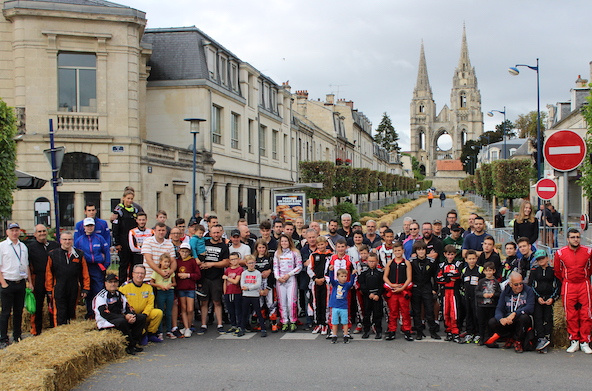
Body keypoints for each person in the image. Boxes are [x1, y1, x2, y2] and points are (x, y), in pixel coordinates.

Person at [554, 228, 592, 354]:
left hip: (584, 283)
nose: (576, 239)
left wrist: (584, 277)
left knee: (586, 313)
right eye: (573, 237)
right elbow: (557, 271)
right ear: (568, 239)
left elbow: (590, 268)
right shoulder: (560, 253)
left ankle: (585, 341)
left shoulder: (588, 251)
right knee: (571, 313)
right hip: (569, 284)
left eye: (577, 237)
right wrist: (567, 279)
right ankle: (574, 340)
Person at [93, 273, 145, 355]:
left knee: (141, 317)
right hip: (106, 321)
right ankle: (129, 346)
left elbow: (128, 308)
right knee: (122, 322)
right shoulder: (101, 296)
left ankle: (134, 343)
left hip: (120, 318)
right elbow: (105, 314)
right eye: (110, 282)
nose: (113, 284)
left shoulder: (120, 294)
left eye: (115, 282)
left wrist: (131, 315)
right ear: (105, 283)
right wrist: (125, 317)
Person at [46, 232, 90, 326]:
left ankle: (69, 332)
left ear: (72, 241)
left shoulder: (79, 254)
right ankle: (59, 331)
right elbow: (49, 273)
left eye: (69, 239)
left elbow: (84, 273)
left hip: (73, 286)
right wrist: (49, 290)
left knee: (71, 310)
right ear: (60, 241)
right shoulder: (53, 254)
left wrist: (85, 288)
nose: (67, 241)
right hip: (59, 286)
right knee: (60, 312)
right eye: (65, 239)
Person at [0, 223, 32, 348]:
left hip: (21, 282)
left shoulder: (23, 246)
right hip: (8, 282)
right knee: (6, 312)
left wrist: (29, 281)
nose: (14, 233)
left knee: (19, 311)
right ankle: (3, 338)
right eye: (12, 230)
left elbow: (26, 265)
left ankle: (17, 335)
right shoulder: (2, 246)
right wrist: (3, 283)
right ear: (7, 232)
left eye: (16, 230)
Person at [485, 271, 535, 353]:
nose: (519, 286)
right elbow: (499, 308)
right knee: (492, 321)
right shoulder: (505, 292)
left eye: (521, 283)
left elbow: (530, 307)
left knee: (524, 318)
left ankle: (518, 341)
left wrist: (515, 313)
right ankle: (509, 337)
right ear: (510, 284)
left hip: (520, 318)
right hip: (508, 319)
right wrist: (501, 319)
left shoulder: (528, 290)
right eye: (516, 284)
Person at [26, 224, 59, 335]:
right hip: (39, 279)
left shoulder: (54, 245)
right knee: (38, 306)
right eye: (39, 231)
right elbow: (27, 265)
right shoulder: (30, 247)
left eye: (44, 231)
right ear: (35, 234)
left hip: (52, 279)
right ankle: (36, 330)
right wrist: (29, 282)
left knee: (54, 304)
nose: (42, 233)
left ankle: (54, 328)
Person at [75, 218, 110, 319]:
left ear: (94, 226)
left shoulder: (99, 238)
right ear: (84, 227)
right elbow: (77, 254)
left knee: (99, 290)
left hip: (98, 267)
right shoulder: (79, 240)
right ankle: (90, 312)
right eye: (87, 226)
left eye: (91, 226)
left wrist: (106, 265)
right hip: (86, 268)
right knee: (87, 290)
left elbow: (106, 251)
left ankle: (100, 312)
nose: (89, 228)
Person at [198, 224, 230, 335]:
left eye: (218, 232)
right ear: (210, 233)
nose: (216, 235)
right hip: (204, 277)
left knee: (217, 301)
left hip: (217, 277)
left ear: (221, 233)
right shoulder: (203, 243)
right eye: (214, 233)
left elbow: (226, 262)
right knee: (204, 302)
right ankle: (203, 324)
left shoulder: (224, 246)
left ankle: (220, 324)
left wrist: (211, 264)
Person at [119, 265, 164, 344]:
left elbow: (150, 303)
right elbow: (120, 303)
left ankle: (150, 334)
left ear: (145, 275)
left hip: (144, 314)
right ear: (133, 274)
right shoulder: (125, 287)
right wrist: (128, 314)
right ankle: (142, 334)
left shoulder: (148, 287)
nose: (140, 275)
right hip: (131, 315)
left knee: (158, 313)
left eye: (142, 273)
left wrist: (145, 313)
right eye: (137, 273)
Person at [529, 249, 560, 353]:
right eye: (538, 259)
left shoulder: (553, 271)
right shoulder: (534, 271)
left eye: (542, 258)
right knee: (538, 317)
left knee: (548, 317)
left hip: (549, 297)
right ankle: (540, 338)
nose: (541, 261)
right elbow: (531, 285)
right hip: (538, 298)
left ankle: (547, 337)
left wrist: (552, 298)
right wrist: (537, 297)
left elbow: (558, 286)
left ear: (547, 258)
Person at [409, 241, 440, 340]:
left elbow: (435, 276)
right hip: (415, 288)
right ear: (416, 251)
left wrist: (435, 289)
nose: (421, 252)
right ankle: (419, 332)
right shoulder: (411, 261)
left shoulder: (431, 261)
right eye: (419, 250)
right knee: (416, 311)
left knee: (429, 310)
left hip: (427, 287)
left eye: (423, 249)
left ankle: (433, 331)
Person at [383, 242, 413, 341]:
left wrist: (402, 288)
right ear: (393, 251)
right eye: (395, 251)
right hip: (393, 291)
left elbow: (409, 278)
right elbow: (385, 277)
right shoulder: (390, 263)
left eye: (399, 250)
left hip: (403, 291)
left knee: (405, 312)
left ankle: (407, 330)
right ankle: (392, 330)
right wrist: (392, 285)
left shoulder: (407, 263)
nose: (397, 252)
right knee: (393, 312)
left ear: (403, 251)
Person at [273, 234, 302, 332]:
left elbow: (299, 267)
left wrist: (289, 275)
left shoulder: (295, 252)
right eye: (282, 241)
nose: (284, 243)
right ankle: (284, 322)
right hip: (280, 280)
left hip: (291, 279)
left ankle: (293, 321)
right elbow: (275, 267)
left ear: (289, 242)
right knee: (282, 302)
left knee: (291, 302)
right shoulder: (277, 253)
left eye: (286, 241)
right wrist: (278, 277)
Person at [436, 245, 462, 343]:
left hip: (454, 291)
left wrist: (446, 276)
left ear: (455, 254)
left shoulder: (458, 263)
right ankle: (449, 331)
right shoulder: (442, 265)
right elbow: (438, 279)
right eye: (448, 254)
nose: (450, 256)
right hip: (445, 291)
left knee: (454, 312)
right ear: (444, 254)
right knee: (445, 312)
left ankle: (455, 332)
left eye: (452, 254)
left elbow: (458, 275)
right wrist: (448, 277)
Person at [112, 189, 139, 282]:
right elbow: (115, 228)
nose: (130, 200)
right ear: (123, 198)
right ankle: (122, 283)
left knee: (134, 263)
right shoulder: (118, 211)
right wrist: (117, 243)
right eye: (128, 198)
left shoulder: (135, 210)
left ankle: (133, 281)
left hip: (133, 240)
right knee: (124, 263)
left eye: (131, 199)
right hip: (123, 241)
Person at [307, 236, 332, 335]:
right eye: (318, 245)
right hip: (315, 282)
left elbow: (331, 269)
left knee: (325, 303)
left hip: (326, 283)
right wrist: (315, 279)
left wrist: (324, 279)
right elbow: (310, 269)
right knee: (316, 303)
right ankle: (318, 323)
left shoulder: (330, 255)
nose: (320, 246)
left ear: (326, 244)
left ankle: (325, 324)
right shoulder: (313, 255)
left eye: (322, 244)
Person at [176, 243, 201, 338]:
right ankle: (186, 327)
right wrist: (178, 275)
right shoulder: (177, 261)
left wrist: (188, 275)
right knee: (183, 308)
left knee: (190, 309)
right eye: (182, 251)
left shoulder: (192, 261)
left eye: (186, 252)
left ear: (189, 252)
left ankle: (188, 327)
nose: (184, 253)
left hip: (190, 288)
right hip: (180, 288)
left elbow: (198, 275)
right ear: (179, 251)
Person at [328, 266, 357, 343]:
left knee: (345, 322)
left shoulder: (347, 285)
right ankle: (334, 335)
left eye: (345, 276)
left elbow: (351, 283)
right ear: (337, 277)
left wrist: (353, 275)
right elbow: (331, 280)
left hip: (343, 306)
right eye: (341, 276)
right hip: (335, 306)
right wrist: (331, 271)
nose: (344, 278)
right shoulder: (335, 284)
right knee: (334, 322)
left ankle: (346, 335)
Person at [359, 253, 384, 340]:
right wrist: (368, 294)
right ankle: (366, 330)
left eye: (373, 261)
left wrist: (378, 294)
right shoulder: (364, 273)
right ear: (367, 262)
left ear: (377, 261)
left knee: (378, 314)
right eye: (370, 261)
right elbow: (362, 285)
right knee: (366, 314)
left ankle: (378, 330)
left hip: (377, 296)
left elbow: (382, 285)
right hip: (367, 296)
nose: (372, 263)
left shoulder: (380, 273)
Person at [150, 253, 176, 339]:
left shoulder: (170, 271)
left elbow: (174, 283)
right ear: (160, 262)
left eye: (168, 262)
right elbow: (151, 282)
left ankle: (169, 331)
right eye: (165, 262)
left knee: (168, 312)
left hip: (170, 292)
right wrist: (159, 286)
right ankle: (160, 332)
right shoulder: (157, 272)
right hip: (161, 292)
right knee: (160, 312)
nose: (167, 264)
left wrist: (170, 285)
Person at [475, 262, 501, 346]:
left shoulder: (496, 282)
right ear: (484, 272)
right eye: (486, 271)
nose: (488, 272)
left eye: (490, 270)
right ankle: (481, 338)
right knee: (481, 322)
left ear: (494, 271)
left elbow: (499, 293)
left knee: (490, 323)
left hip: (492, 305)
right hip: (481, 305)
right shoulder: (481, 281)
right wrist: (483, 295)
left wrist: (493, 295)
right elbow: (476, 292)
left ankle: (490, 338)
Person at [254, 239, 277, 332]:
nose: (261, 249)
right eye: (259, 247)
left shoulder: (270, 258)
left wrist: (268, 287)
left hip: (268, 284)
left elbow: (272, 272)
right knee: (260, 304)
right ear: (256, 248)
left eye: (263, 247)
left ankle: (274, 323)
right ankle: (261, 322)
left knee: (270, 303)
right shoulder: (254, 259)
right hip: (257, 286)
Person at [241, 254, 267, 337]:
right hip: (246, 295)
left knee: (258, 312)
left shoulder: (257, 273)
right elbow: (242, 284)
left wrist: (248, 288)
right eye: (249, 263)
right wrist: (251, 287)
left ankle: (263, 328)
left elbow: (258, 284)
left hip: (255, 295)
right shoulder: (244, 273)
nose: (251, 265)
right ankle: (242, 328)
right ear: (246, 264)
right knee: (245, 312)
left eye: (252, 263)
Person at [460, 250, 483, 343]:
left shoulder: (480, 269)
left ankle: (478, 333)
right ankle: (469, 332)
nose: (472, 261)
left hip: (477, 297)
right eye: (470, 259)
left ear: (477, 259)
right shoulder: (464, 270)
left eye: (473, 258)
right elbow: (462, 283)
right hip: (467, 296)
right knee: (468, 314)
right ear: (466, 260)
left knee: (476, 315)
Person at [223, 252, 244, 336]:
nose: (234, 261)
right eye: (232, 259)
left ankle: (240, 325)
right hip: (228, 292)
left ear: (239, 259)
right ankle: (233, 325)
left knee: (238, 310)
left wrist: (227, 278)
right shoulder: (228, 270)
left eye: (235, 259)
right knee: (230, 310)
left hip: (237, 292)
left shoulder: (240, 269)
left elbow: (236, 281)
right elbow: (224, 282)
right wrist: (225, 292)